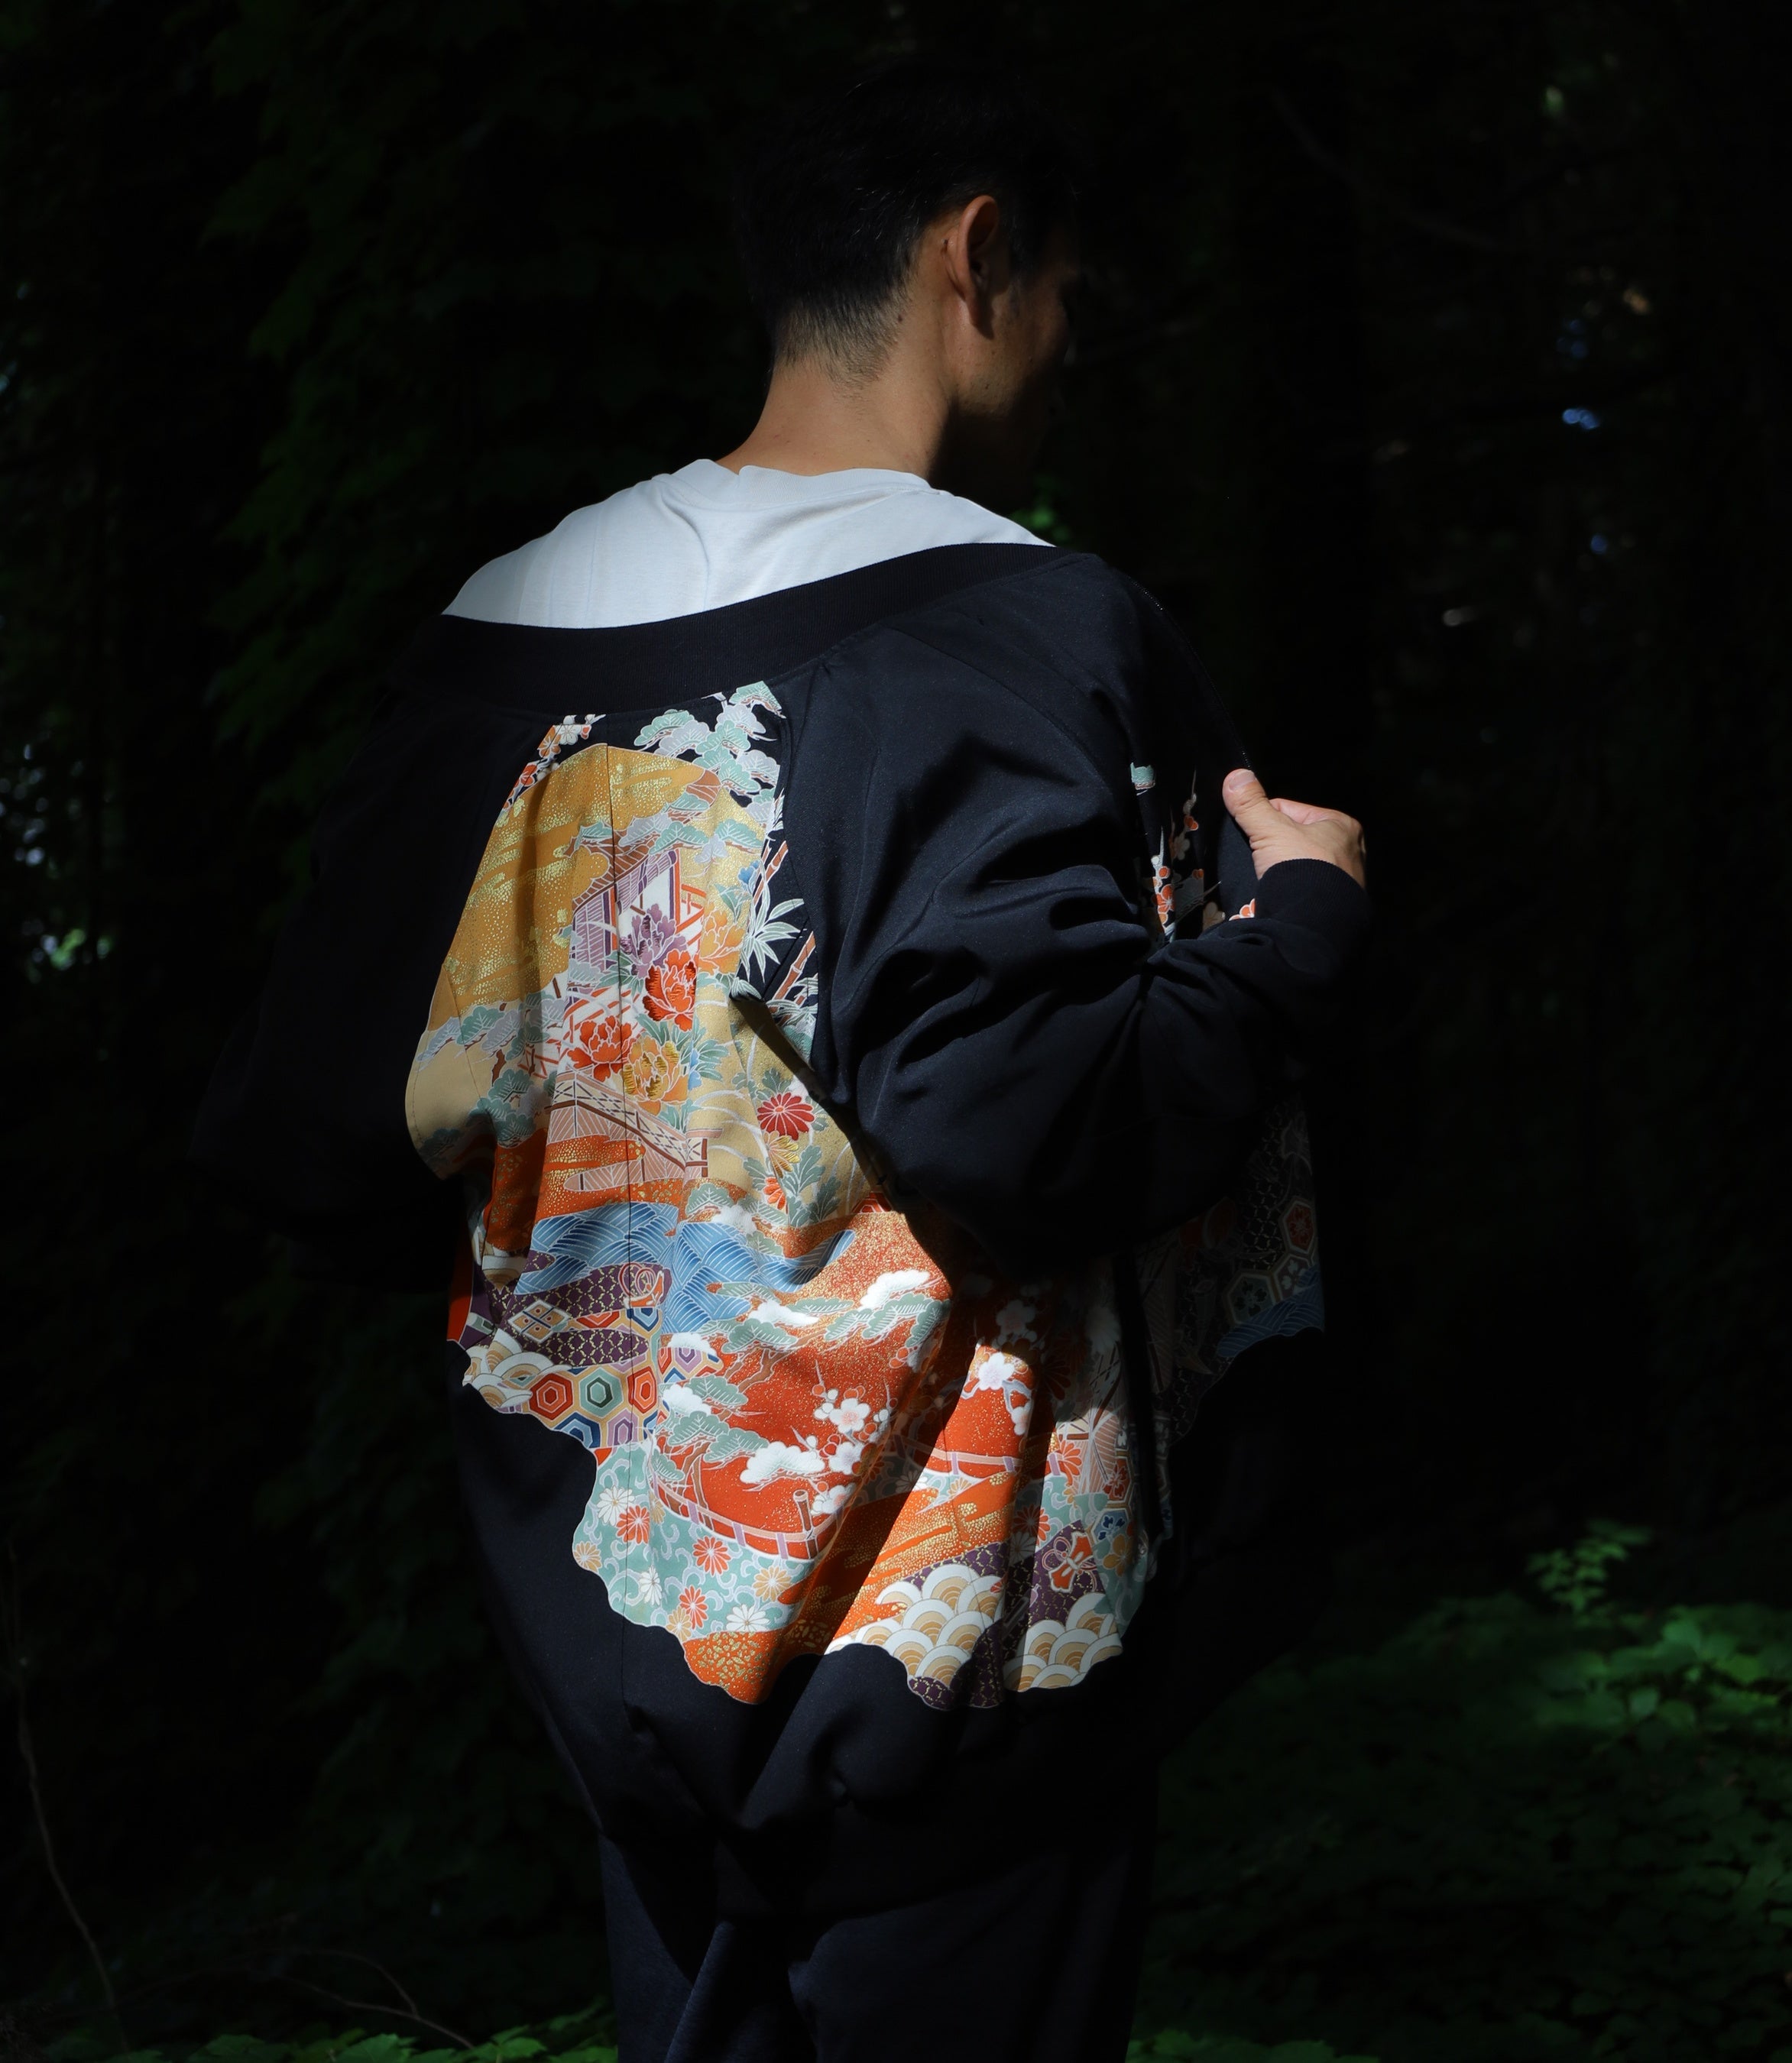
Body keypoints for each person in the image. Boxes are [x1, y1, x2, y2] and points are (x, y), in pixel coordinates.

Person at [194, 60, 1368, 2063]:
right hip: (960, 1687)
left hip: (636, 1672)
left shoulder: (501, 640)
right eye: (1064, 293)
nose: (1066, 348)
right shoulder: (1023, 629)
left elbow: (311, 1135)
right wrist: (1296, 930)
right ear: (977, 257)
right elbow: (1041, 1125)